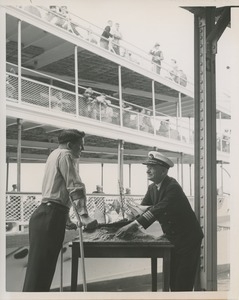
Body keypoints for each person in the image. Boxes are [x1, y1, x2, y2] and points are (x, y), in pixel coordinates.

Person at [116, 151, 204, 291]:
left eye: (152, 167)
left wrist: (133, 225)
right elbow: (142, 210)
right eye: (147, 166)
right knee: (171, 280)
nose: (147, 170)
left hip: (187, 240)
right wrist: (126, 216)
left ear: (163, 171)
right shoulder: (152, 188)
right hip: (172, 238)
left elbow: (158, 210)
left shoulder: (172, 187)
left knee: (182, 283)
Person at [22, 129, 97, 292]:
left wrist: (67, 219)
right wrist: (84, 215)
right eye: (80, 146)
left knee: (39, 270)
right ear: (70, 145)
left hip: (46, 214)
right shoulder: (66, 155)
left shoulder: (54, 154)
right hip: (51, 216)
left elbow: (56, 189)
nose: (82, 150)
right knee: (42, 272)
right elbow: (74, 186)